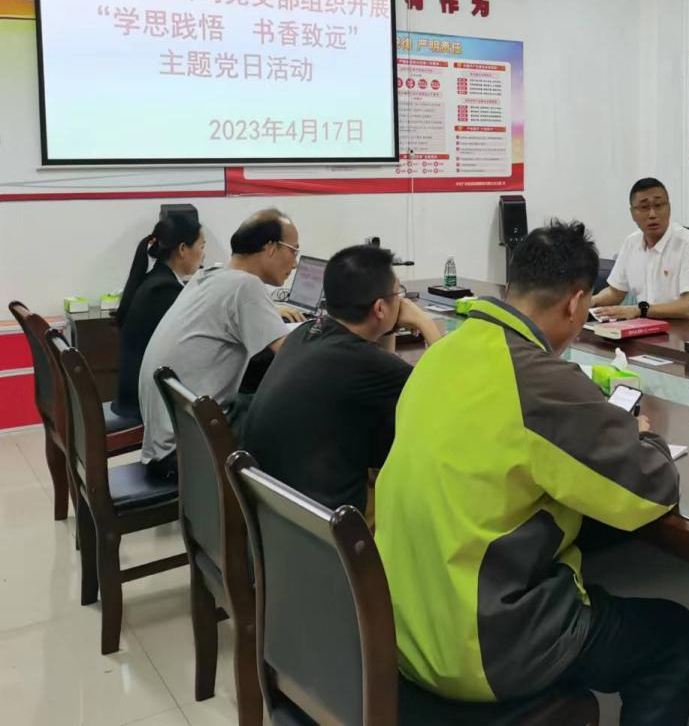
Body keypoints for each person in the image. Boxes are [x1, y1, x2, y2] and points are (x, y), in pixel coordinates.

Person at [376, 220, 689, 724]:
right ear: (576, 303)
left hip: (400, 627)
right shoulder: (540, 379)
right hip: (480, 644)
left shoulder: (444, 353)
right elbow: (650, 492)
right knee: (671, 636)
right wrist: (642, 435)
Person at [240, 245, 444, 511]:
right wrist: (426, 323)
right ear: (380, 308)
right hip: (330, 521)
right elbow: (447, 397)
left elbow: (378, 368)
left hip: (276, 510)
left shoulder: (305, 333)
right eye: (398, 294)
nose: (403, 302)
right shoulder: (365, 363)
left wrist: (388, 326)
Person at [139, 209, 305, 481]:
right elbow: (295, 358)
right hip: (188, 453)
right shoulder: (245, 286)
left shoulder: (207, 277)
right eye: (293, 251)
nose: (295, 263)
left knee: (259, 400)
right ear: (271, 248)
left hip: (168, 442)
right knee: (300, 416)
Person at [112, 213, 206, 421]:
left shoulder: (154, 280)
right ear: (183, 249)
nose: (203, 254)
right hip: (143, 403)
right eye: (201, 246)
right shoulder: (164, 291)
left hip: (133, 393)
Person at [592, 177, 689, 320]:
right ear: (632, 213)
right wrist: (590, 302)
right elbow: (615, 292)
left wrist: (640, 310)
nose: (652, 214)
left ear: (669, 208)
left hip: (686, 329)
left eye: (658, 205)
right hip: (644, 327)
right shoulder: (631, 243)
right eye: (644, 207)